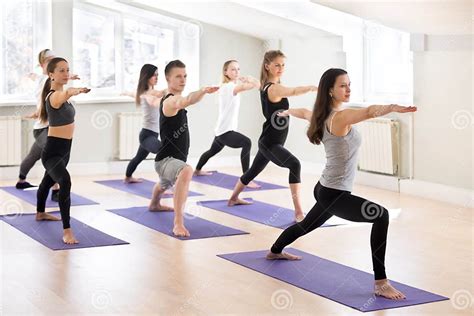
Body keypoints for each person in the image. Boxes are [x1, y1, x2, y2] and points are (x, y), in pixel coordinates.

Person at [266, 68, 417, 300]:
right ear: (330, 91)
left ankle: (275, 251)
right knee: (381, 215)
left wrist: (288, 111)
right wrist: (391, 108)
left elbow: (305, 112)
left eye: (349, 84)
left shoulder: (322, 114)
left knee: (306, 225)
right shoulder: (340, 118)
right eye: (342, 85)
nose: (348, 89)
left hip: (326, 189)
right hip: (333, 193)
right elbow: (368, 112)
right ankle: (381, 282)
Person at [228, 50, 317, 222]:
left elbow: (261, 85)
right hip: (270, 143)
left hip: (268, 140)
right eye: (277, 65)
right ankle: (298, 211)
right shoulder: (274, 88)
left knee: (253, 170)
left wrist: (251, 81)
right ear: (267, 66)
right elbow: (294, 91)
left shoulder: (266, 85)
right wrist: (312, 88)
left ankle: (233, 198)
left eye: (283, 65)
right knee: (294, 164)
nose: (281, 68)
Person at [149, 60, 219, 237]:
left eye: (185, 76)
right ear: (168, 78)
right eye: (178, 76)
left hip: (172, 161)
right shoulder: (172, 101)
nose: (183, 80)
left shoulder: (170, 97)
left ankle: (154, 203)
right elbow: (187, 100)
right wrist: (203, 91)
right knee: (186, 171)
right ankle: (178, 223)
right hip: (165, 161)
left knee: (164, 183)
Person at [35, 57, 90, 244]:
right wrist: (76, 90)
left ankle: (40, 213)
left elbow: (65, 87)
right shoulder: (54, 96)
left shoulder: (60, 89)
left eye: (67, 70)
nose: (66, 73)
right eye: (61, 71)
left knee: (46, 182)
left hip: (65, 152)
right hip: (52, 152)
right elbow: (65, 94)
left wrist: (69, 79)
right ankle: (67, 230)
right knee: (64, 181)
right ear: (50, 74)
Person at [17, 49, 78, 203]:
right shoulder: (43, 82)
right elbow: (45, 96)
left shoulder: (49, 79)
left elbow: (57, 80)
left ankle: (21, 180)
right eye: (49, 59)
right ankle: (56, 189)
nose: (53, 60)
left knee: (34, 155)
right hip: (42, 128)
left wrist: (70, 78)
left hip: (51, 127)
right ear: (43, 64)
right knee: (54, 157)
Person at [194, 60, 260, 189]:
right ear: (226, 72)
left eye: (238, 69)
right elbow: (251, 86)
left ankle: (197, 170)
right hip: (225, 131)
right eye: (233, 69)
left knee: (211, 151)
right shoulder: (230, 87)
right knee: (247, 143)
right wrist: (250, 79)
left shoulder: (225, 86)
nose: (237, 72)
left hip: (221, 129)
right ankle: (246, 179)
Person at [124, 64, 165, 183]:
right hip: (147, 135)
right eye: (154, 75)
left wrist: (125, 93)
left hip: (149, 134)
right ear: (147, 76)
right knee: (163, 152)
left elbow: (134, 94)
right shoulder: (147, 94)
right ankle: (163, 185)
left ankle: (128, 177)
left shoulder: (143, 92)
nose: (157, 78)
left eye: (158, 75)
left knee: (139, 157)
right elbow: (152, 100)